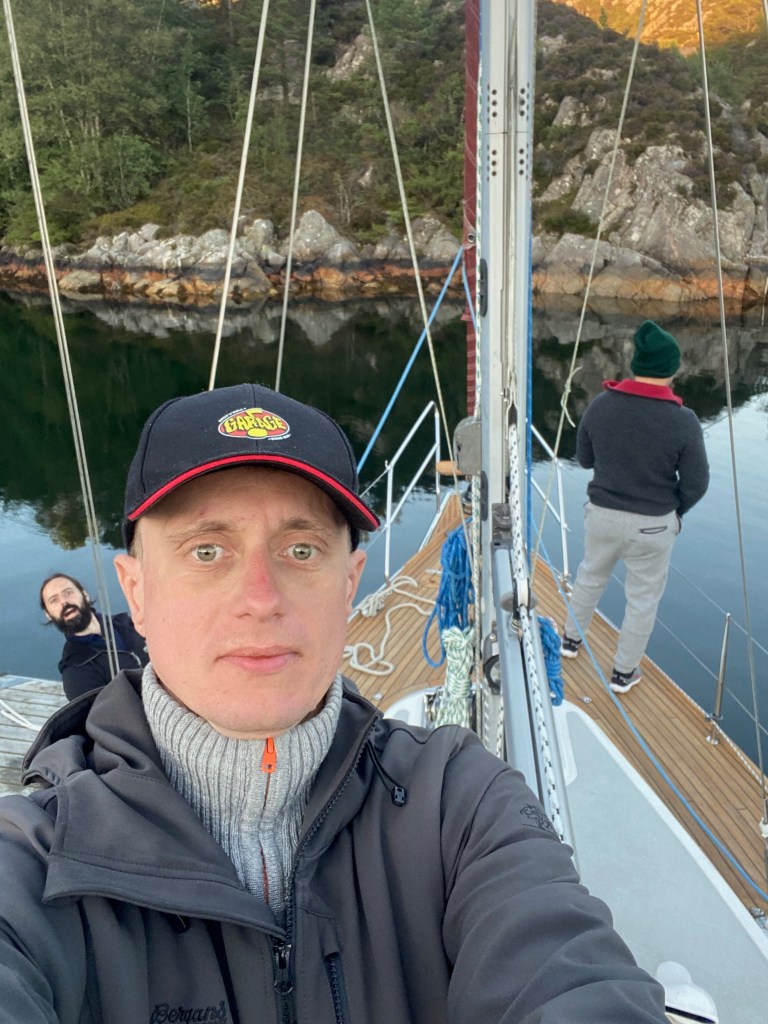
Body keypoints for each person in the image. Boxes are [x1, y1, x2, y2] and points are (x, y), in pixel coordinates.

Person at [0, 382, 669, 1023]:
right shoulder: (34, 865)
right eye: (207, 550)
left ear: (349, 585)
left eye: (301, 549)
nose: (260, 597)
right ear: (136, 592)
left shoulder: (459, 804)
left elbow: (568, 972)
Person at [562, 320, 709, 693]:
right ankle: (623, 674)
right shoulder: (684, 421)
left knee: (590, 576)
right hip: (654, 525)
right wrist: (675, 513)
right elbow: (697, 483)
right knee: (642, 600)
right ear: (671, 368)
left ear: (636, 364)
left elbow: (584, 459)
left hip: (603, 515)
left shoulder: (601, 405)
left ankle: (570, 641)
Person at [39, 572, 148, 700]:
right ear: (48, 614)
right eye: (54, 600)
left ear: (85, 595)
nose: (64, 601)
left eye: (68, 592)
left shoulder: (127, 623)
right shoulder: (76, 673)